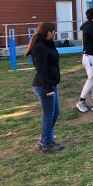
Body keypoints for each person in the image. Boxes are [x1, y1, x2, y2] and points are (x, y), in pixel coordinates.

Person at [25, 22, 64, 152]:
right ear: (48, 32)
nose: (55, 33)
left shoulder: (47, 44)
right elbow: (41, 70)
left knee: (56, 112)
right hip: (44, 86)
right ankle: (46, 144)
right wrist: (48, 89)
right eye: (53, 31)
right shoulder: (40, 47)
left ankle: (45, 139)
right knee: (48, 114)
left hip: (51, 84)